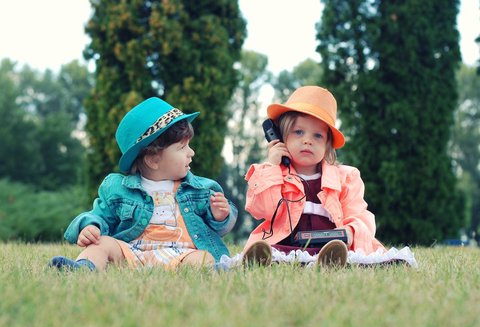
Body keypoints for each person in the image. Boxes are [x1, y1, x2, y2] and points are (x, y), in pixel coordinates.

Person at [50, 97, 237, 271]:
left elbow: (220, 229)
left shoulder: (200, 189)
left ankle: (213, 271)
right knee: (101, 244)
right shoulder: (118, 189)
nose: (191, 152)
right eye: (182, 147)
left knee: (203, 257)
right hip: (132, 252)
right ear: (153, 160)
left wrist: (220, 217)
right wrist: (90, 227)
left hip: (182, 254)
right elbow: (99, 215)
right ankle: (84, 267)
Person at [242, 86, 384, 267]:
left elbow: (359, 214)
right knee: (275, 252)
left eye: (317, 135)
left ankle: (330, 261)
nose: (307, 140)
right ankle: (262, 260)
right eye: (298, 132)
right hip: (287, 245)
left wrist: (350, 231)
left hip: (330, 247)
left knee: (342, 253)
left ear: (327, 145)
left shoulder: (345, 178)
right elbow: (262, 209)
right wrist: (272, 168)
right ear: (280, 137)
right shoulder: (272, 174)